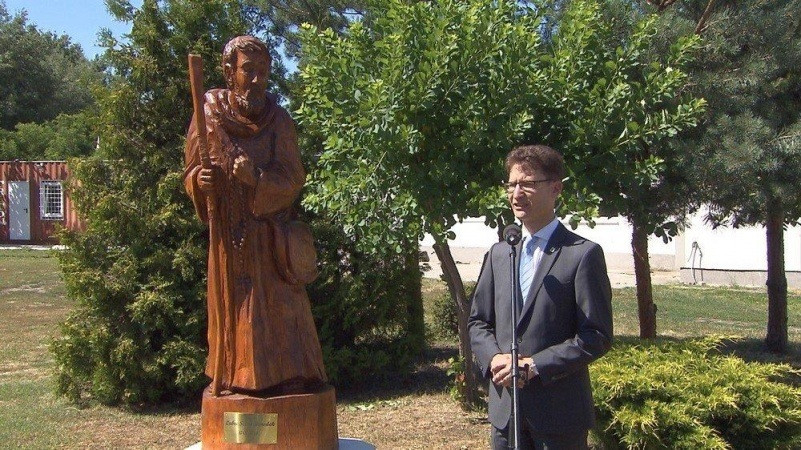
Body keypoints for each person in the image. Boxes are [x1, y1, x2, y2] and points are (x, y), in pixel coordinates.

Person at [183, 36, 326, 395]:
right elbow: (190, 172)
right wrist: (200, 182)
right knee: (235, 317)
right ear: (229, 72)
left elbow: (294, 178)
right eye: (249, 70)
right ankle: (234, 379)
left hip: (270, 241)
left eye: (263, 71)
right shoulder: (207, 116)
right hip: (229, 241)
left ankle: (290, 381)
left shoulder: (280, 121)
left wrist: (257, 179)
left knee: (282, 319)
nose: (257, 79)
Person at [469, 144, 613, 449]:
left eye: (528, 184)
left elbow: (596, 335)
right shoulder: (500, 254)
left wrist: (536, 365)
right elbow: (478, 322)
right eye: (511, 184)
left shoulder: (582, 255)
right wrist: (494, 358)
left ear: (556, 188)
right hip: (506, 414)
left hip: (559, 417)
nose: (516, 194)